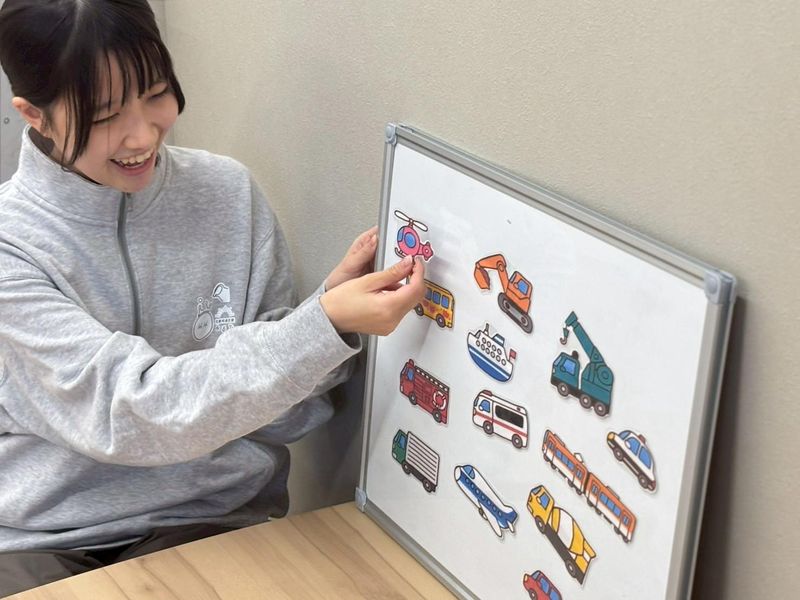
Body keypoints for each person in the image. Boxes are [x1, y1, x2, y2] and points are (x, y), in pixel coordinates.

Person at [0, 0, 424, 594]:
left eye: (156, 93)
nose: (142, 134)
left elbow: (291, 414)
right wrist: (317, 329)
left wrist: (329, 320)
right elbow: (129, 413)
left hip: (212, 517)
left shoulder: (229, 192)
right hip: (46, 542)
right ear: (34, 116)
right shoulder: (11, 247)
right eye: (105, 114)